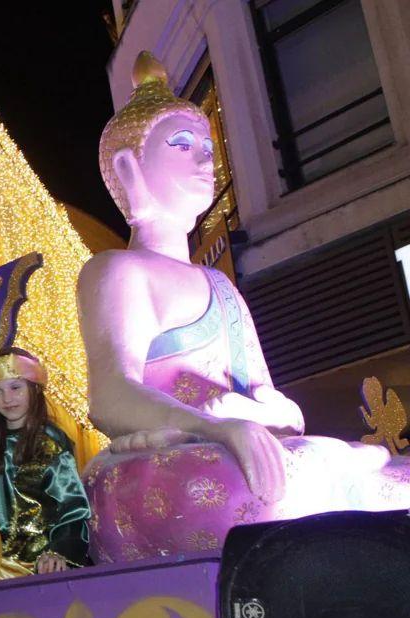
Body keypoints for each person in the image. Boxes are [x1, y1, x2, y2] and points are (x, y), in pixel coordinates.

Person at [78, 51, 410, 561]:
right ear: (130, 169)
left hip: (253, 446)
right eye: (182, 144)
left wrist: (244, 412)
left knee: (377, 475)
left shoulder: (221, 286)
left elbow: (281, 408)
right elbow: (111, 395)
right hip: (178, 468)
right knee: (251, 485)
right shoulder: (117, 271)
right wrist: (212, 425)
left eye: (209, 146)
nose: (205, 160)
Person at [0, 348, 91, 575]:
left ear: (34, 389)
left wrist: (59, 552)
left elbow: (72, 507)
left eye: (15, 388)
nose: (7, 399)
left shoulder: (51, 442)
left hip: (38, 561)